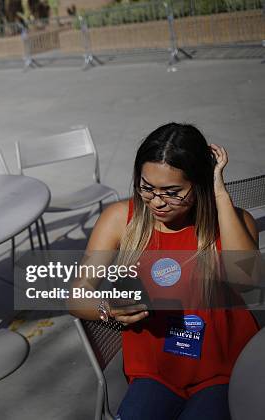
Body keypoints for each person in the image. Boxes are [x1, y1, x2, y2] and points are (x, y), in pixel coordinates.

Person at [70, 123, 259, 420]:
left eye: (172, 192)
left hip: (223, 367)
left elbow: (247, 282)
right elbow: (76, 295)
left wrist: (219, 195)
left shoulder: (232, 221)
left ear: (200, 183)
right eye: (147, 187)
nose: (157, 201)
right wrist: (106, 308)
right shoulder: (120, 219)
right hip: (154, 370)